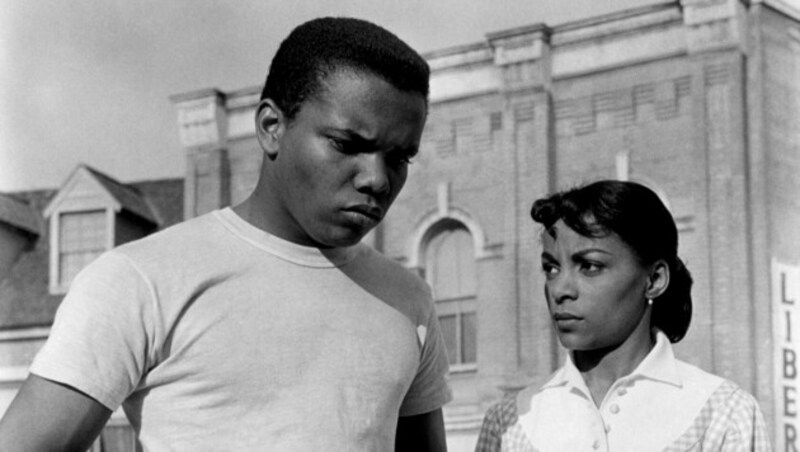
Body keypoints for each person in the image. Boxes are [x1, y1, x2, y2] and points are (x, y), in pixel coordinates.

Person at [0, 17, 452, 451]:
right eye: (347, 144)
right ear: (272, 127)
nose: (376, 178)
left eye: (400, 158)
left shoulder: (407, 299)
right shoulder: (141, 279)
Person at [475, 180, 770, 451]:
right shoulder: (510, 422)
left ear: (654, 280)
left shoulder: (722, 413)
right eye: (551, 268)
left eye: (590, 266)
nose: (560, 289)